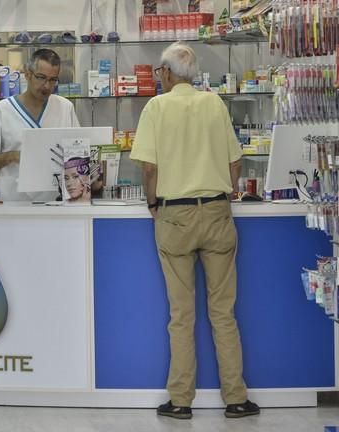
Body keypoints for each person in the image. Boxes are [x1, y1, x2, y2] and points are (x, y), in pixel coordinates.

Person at [130, 43, 259, 420]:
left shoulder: (156, 107)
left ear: (167, 73)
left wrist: (153, 204)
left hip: (175, 218)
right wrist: (223, 194)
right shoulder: (214, 103)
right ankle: (236, 398)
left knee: (181, 315)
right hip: (217, 213)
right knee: (223, 313)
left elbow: (149, 169)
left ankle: (181, 400)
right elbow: (236, 162)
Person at [0, 48, 80, 201]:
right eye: (41, 77)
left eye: (52, 80)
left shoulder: (65, 107)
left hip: (56, 203)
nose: (47, 86)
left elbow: (78, 153)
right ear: (27, 74)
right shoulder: (3, 110)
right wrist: (12, 156)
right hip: (15, 203)